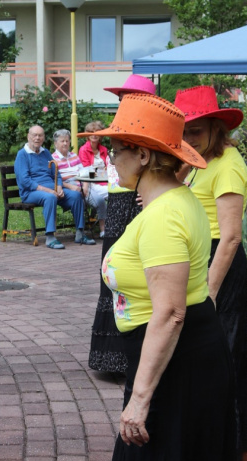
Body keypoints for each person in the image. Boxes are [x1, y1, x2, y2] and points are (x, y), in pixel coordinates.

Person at [83, 93, 239, 461]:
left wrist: (140, 398)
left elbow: (169, 312)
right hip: (179, 355)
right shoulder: (168, 201)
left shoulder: (165, 214)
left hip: (175, 362)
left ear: (144, 153)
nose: (110, 158)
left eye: (116, 149)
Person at [175, 85, 247, 461]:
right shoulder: (198, 160)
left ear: (215, 127)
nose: (188, 136)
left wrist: (209, 291)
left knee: (225, 359)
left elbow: (230, 236)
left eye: (195, 129)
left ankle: (236, 451)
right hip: (200, 263)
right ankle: (217, 449)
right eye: (184, 129)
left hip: (221, 268)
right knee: (206, 361)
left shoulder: (228, 163)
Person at [89, 75, 156, 373]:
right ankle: (109, 357)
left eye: (129, 96)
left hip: (136, 202)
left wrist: (153, 192)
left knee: (135, 274)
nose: (123, 102)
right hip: (117, 203)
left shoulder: (150, 130)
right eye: (122, 97)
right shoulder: (121, 124)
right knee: (112, 271)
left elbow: (170, 165)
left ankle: (132, 355)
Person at [15, 125, 94, 249]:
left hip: (52, 189)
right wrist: (48, 190)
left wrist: (59, 187)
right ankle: (50, 237)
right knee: (50, 197)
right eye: (34, 135)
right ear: (28, 136)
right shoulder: (22, 155)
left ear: (44, 138)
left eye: (40, 135)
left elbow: (56, 173)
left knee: (76, 195)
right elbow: (25, 181)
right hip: (31, 192)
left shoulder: (45, 153)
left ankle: (80, 232)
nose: (37, 138)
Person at [52, 128, 107, 237]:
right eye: (62, 141)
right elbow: (54, 180)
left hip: (83, 184)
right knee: (79, 200)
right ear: (55, 143)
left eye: (67, 141)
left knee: (100, 201)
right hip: (68, 187)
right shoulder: (53, 159)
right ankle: (80, 232)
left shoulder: (74, 156)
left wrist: (85, 185)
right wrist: (72, 187)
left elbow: (84, 172)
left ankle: (103, 230)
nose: (65, 143)